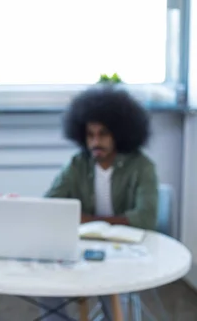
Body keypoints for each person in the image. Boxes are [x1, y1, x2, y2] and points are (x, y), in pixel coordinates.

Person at [41, 84, 159, 320]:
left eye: (103, 133)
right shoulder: (78, 163)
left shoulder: (142, 166)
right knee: (45, 281)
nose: (95, 142)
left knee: (112, 286)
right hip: (83, 245)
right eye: (90, 135)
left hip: (126, 247)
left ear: (119, 133)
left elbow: (145, 217)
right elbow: (50, 205)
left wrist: (91, 221)